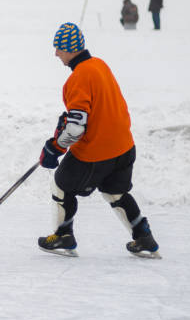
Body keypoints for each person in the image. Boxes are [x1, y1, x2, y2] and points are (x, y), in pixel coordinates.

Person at [38, 22, 160, 259]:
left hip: (97, 151)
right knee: (116, 193)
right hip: (124, 146)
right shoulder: (100, 65)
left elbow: (76, 127)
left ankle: (63, 236)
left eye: (58, 48)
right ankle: (144, 238)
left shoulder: (77, 78)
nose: (55, 54)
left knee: (61, 185)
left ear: (70, 48)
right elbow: (97, 108)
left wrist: (54, 148)